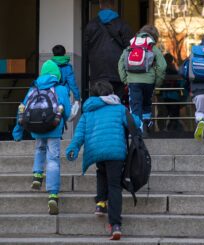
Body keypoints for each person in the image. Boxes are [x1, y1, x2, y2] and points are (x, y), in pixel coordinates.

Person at [65, 80, 140, 240]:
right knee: (114, 185)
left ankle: (100, 203)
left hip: (96, 150)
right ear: (111, 93)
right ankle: (115, 225)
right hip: (115, 151)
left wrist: (73, 148)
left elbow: (79, 134)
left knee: (101, 172)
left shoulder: (88, 111)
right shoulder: (119, 108)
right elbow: (135, 123)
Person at [12, 60, 71, 215]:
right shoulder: (61, 89)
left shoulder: (33, 88)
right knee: (53, 159)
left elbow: (22, 110)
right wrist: (62, 118)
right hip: (54, 127)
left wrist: (17, 132)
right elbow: (68, 113)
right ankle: (52, 194)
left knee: (39, 148)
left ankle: (37, 176)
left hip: (36, 127)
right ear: (56, 74)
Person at [118, 24, 167, 130]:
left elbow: (120, 63)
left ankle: (138, 130)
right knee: (146, 104)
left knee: (135, 106)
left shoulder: (131, 46)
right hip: (149, 82)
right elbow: (162, 66)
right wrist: (157, 81)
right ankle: (146, 125)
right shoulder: (152, 47)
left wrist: (125, 80)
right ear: (155, 37)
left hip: (133, 82)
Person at [84, 0, 133, 99]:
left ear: (100, 5)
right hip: (117, 70)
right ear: (113, 5)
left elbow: (86, 48)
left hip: (97, 71)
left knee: (98, 101)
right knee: (117, 101)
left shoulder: (91, 25)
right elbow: (129, 48)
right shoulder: (122, 24)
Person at [159, 53, 188, 131]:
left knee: (165, 114)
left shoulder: (162, 71)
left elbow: (159, 82)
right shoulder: (175, 71)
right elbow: (182, 83)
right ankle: (172, 130)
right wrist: (183, 97)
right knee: (174, 115)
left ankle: (165, 129)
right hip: (174, 96)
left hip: (165, 96)